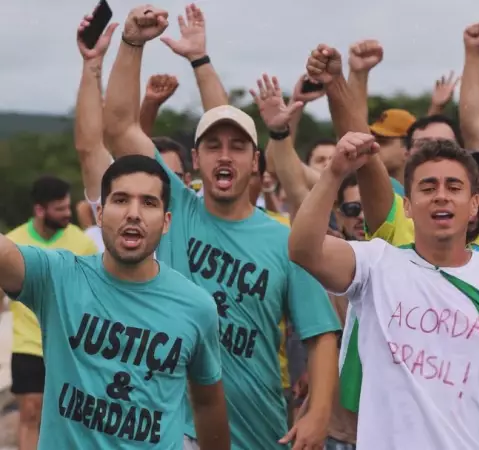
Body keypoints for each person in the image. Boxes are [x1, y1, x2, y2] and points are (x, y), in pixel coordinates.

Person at [100, 6, 341, 450]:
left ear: (256, 163)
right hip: (171, 426)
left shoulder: (286, 239)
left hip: (258, 429)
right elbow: (117, 128)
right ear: (197, 160)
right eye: (212, 146)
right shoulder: (177, 210)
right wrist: (132, 43)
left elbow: (321, 332)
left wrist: (319, 412)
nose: (224, 156)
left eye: (237, 147)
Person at [289, 134, 479, 449]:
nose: (441, 196)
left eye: (454, 188)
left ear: (473, 206)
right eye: (428, 188)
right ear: (408, 206)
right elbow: (303, 250)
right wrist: (333, 173)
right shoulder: (375, 264)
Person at [0, 154, 229, 448]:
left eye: (149, 203)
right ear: (99, 214)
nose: (133, 213)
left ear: (167, 221)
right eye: (120, 200)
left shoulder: (197, 307)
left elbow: (208, 403)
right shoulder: (56, 278)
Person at [4, 175, 97, 450]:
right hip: (28, 344)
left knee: (73, 417)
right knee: (30, 413)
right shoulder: (13, 242)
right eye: (60, 209)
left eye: (68, 207)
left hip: (71, 347)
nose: (68, 214)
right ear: (40, 210)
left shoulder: (82, 244)